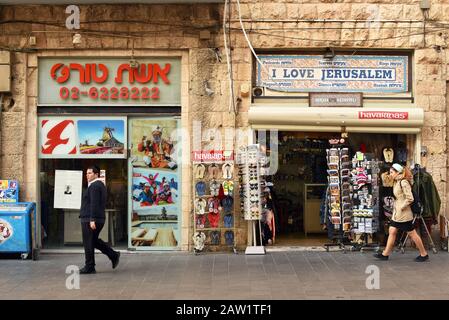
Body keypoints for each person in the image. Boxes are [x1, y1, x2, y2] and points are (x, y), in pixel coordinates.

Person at [374, 163, 429, 262]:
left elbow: (410, 198)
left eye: (392, 172)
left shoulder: (403, 182)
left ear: (398, 172)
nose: (390, 174)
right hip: (398, 213)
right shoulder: (396, 181)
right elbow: (385, 179)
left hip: (403, 214)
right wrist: (386, 174)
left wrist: (401, 207)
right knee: (392, 231)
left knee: (412, 233)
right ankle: (385, 254)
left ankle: (424, 254)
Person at [79, 165, 120, 274]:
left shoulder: (95, 186)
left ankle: (90, 266)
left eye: (90, 173)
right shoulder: (97, 185)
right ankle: (113, 255)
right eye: (86, 173)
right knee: (93, 241)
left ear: (96, 174)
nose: (87, 175)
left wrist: (92, 219)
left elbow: (94, 203)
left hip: (90, 219)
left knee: (88, 242)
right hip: (95, 218)